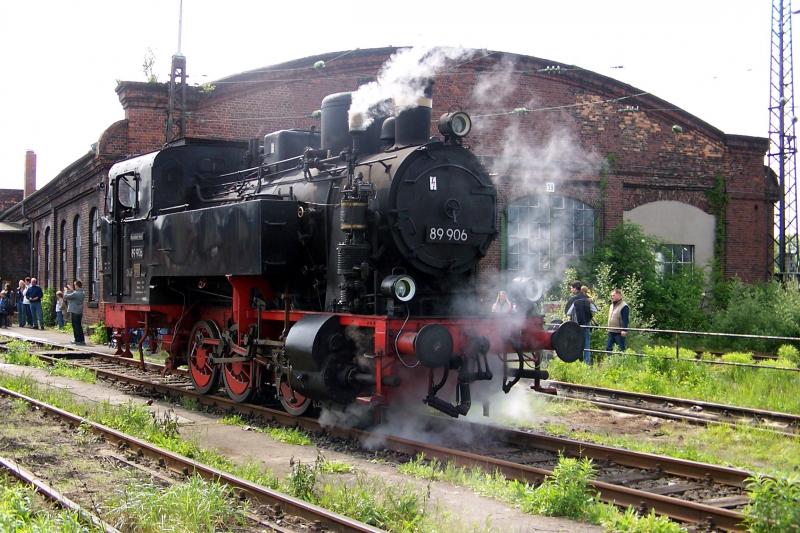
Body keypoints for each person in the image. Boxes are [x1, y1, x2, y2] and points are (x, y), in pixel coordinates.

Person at [564, 281, 595, 364]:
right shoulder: (587, 298)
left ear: (575, 288)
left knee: (576, 343)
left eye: (571, 288)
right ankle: (587, 362)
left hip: (575, 325)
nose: (571, 290)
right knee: (586, 343)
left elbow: (567, 312)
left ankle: (577, 362)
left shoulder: (573, 299)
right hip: (586, 323)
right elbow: (594, 310)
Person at [606, 288, 630, 352]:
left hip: (619, 332)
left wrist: (624, 330)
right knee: (608, 348)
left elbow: (625, 319)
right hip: (611, 331)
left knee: (621, 349)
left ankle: (623, 361)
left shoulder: (624, 306)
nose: (612, 297)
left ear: (619, 295)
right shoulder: (611, 305)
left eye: (613, 295)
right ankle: (609, 361)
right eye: (611, 296)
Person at [64, 280, 86, 345]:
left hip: (74, 311)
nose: (74, 286)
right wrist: (71, 289)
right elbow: (76, 293)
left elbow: (66, 297)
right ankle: (82, 340)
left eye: (75, 285)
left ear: (77, 286)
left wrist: (65, 291)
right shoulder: (82, 292)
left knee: (75, 326)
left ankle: (77, 340)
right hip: (79, 311)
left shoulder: (76, 294)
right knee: (79, 326)